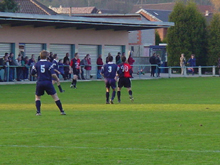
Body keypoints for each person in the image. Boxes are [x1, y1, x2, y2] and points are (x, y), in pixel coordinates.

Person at [31, 50, 66, 116]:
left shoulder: (36, 64)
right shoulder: (49, 64)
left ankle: (38, 112)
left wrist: (38, 76)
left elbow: (32, 73)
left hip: (40, 82)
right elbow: (53, 74)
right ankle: (62, 111)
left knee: (37, 97)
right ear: (47, 56)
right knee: (55, 97)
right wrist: (57, 79)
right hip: (48, 82)